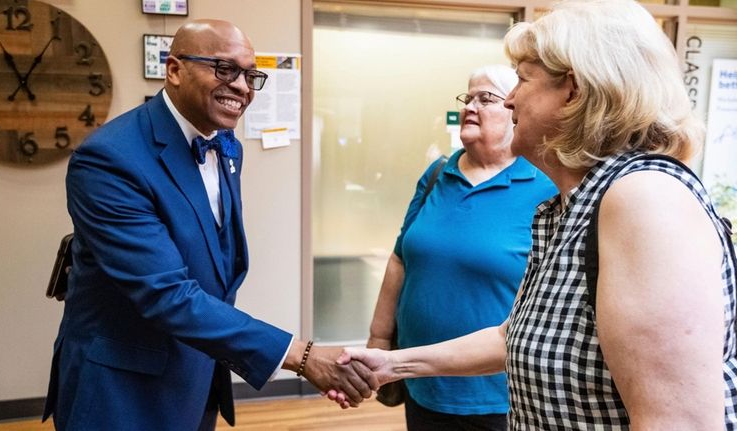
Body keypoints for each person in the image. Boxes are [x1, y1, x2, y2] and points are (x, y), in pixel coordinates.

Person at [333, 0, 737, 428]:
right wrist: (392, 364)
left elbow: (680, 422)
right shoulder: (574, 204)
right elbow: (515, 338)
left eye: (522, 80)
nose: (509, 100)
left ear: (575, 91)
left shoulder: (643, 199)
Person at [42, 20, 375, 431]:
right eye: (224, 68)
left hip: (197, 378)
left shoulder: (226, 144)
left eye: (251, 75)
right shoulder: (110, 160)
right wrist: (302, 356)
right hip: (122, 388)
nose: (242, 86)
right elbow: (166, 293)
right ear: (175, 69)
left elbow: (215, 260)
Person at [366, 65, 555, 431]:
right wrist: (379, 340)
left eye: (486, 98)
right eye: (468, 97)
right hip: (421, 381)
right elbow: (399, 258)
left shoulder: (544, 186)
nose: (471, 106)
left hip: (497, 394)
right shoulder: (438, 173)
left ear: (515, 110)